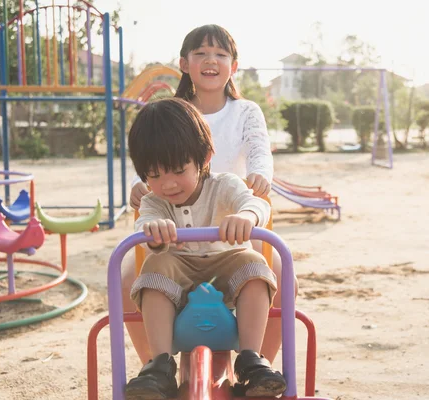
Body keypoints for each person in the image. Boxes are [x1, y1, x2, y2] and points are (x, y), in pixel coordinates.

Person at [124, 24, 298, 366]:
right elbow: (148, 154)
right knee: (128, 275)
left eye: (220, 54)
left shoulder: (245, 111)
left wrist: (259, 175)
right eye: (201, 53)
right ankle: (154, 365)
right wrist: (138, 181)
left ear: (233, 66)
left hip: (228, 220)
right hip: (175, 224)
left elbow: (259, 149)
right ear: (184, 63)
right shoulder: (169, 112)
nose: (210, 60)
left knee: (279, 272)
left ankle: (259, 361)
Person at [125, 97, 286, 399]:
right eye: (154, 175)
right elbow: (144, 223)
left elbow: (255, 203)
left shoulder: (224, 185)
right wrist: (153, 230)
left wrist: (245, 216)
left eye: (176, 170)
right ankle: (160, 365)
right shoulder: (153, 201)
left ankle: (251, 361)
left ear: (205, 157)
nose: (168, 184)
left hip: (224, 263)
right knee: (154, 267)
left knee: (253, 262)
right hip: (178, 271)